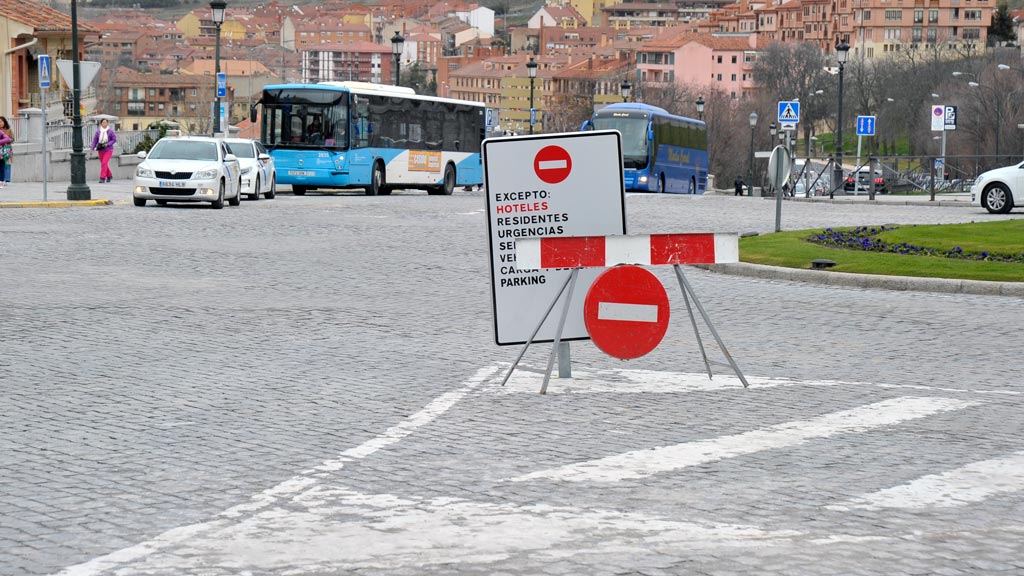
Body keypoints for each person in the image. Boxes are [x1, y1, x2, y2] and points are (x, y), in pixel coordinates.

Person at [90, 119, 117, 183]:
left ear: (107, 123)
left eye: (105, 122)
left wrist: (108, 144)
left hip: (108, 149)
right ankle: (109, 175)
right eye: (103, 122)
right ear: (101, 123)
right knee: (103, 164)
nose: (104, 123)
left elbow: (114, 139)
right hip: (101, 150)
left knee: (104, 163)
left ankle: (102, 178)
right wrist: (92, 149)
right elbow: (95, 141)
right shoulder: (98, 132)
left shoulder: (110, 131)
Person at [0, 116, 13, 188]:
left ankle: (5, 180)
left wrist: (4, 142)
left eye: (2, 121)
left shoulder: (8, 130)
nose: (0, 123)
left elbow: (11, 139)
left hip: (6, 150)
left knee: (5, 165)